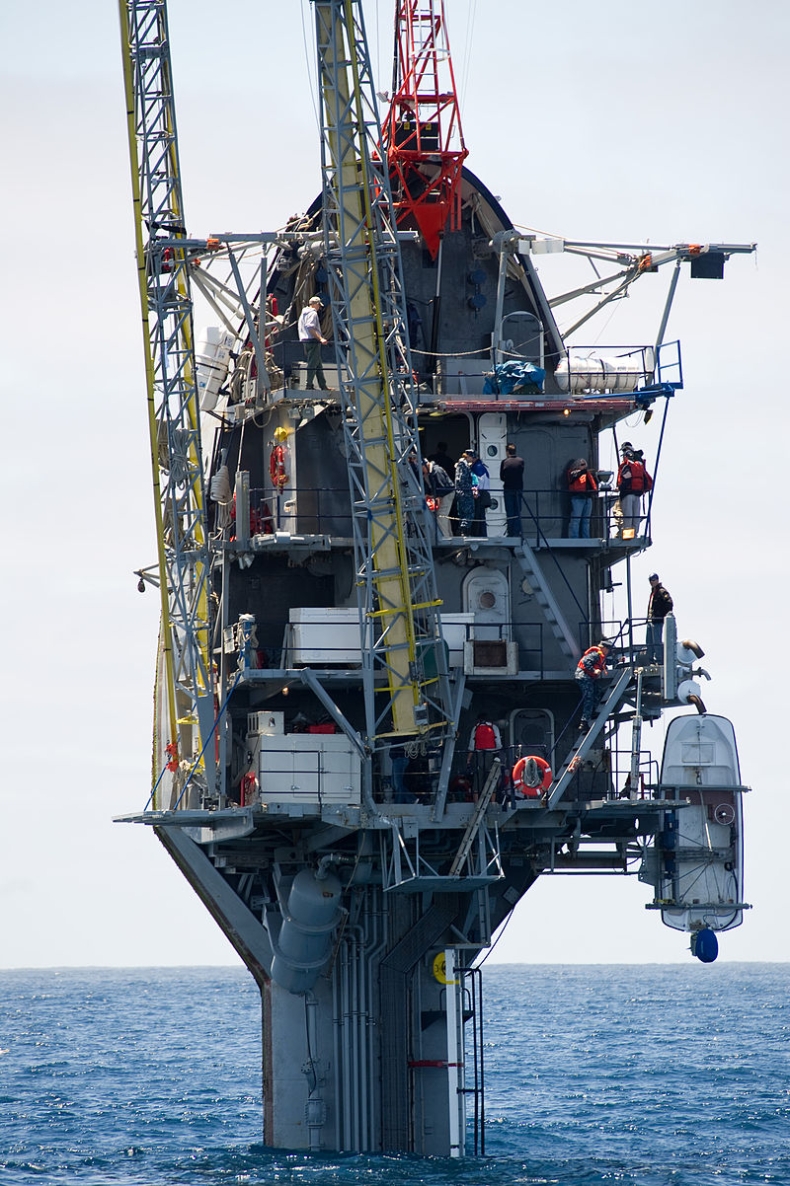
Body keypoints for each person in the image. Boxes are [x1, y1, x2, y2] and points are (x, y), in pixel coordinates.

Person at [616, 442, 652, 539]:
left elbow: (626, 478)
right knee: (635, 517)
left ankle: (628, 537)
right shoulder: (639, 463)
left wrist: (620, 487)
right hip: (637, 494)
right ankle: (633, 536)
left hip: (628, 494)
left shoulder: (627, 465)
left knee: (628, 517)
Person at [575, 640, 612, 730]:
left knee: (597, 691)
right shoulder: (595, 654)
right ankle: (584, 722)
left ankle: (593, 712)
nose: (608, 651)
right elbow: (585, 662)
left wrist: (618, 660)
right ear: (603, 648)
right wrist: (594, 670)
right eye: (607, 649)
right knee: (589, 698)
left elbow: (605, 662)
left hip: (588, 677)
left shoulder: (600, 657)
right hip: (583, 677)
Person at [297, 295, 329, 391]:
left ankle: (323, 385)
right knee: (312, 363)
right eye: (319, 305)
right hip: (312, 341)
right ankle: (309, 385)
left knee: (317, 364)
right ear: (315, 304)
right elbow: (310, 327)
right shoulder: (313, 314)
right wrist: (320, 339)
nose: (319, 307)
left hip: (305, 341)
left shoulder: (303, 313)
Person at [466, 717, 503, 801]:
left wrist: (468, 760)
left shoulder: (475, 728)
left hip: (479, 754)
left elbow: (472, 746)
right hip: (491, 754)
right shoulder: (494, 727)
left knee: (478, 778)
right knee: (492, 777)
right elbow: (499, 745)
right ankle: (493, 801)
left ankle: (476, 801)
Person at [422, 458, 455, 539]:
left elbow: (441, 486)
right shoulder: (430, 473)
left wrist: (438, 498)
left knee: (441, 515)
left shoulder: (437, 471)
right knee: (444, 515)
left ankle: (445, 537)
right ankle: (449, 535)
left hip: (447, 493)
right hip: (443, 493)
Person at [567, 458, 598, 539]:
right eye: (582, 465)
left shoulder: (587, 474)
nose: (584, 466)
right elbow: (572, 478)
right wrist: (585, 471)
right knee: (576, 520)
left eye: (585, 464)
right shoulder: (572, 472)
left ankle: (586, 537)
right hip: (578, 498)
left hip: (587, 498)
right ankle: (574, 537)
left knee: (586, 521)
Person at [646, 573, 673, 662]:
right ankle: (650, 659)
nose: (652, 582)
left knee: (657, 641)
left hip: (657, 621)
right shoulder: (653, 592)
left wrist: (661, 616)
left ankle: (659, 659)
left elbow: (669, 603)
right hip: (651, 620)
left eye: (653, 580)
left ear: (657, 580)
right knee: (649, 642)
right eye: (650, 580)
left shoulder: (661, 591)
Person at [500, 443, 525, 537]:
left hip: (508, 488)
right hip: (518, 488)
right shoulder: (521, 461)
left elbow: (501, 477)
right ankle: (517, 532)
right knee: (518, 511)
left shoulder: (504, 462)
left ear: (507, 452)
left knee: (510, 512)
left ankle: (510, 533)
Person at [454, 449, 477, 535]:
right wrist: (470, 489)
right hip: (465, 494)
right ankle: (464, 532)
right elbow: (461, 480)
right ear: (468, 456)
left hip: (463, 493)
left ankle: (463, 531)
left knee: (464, 514)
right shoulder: (463, 465)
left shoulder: (463, 465)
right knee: (468, 514)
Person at [470, 453, 491, 537]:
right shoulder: (481, 466)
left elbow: (479, 481)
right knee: (481, 515)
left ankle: (479, 534)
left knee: (478, 515)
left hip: (480, 494)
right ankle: (482, 534)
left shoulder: (477, 467)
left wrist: (476, 493)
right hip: (484, 492)